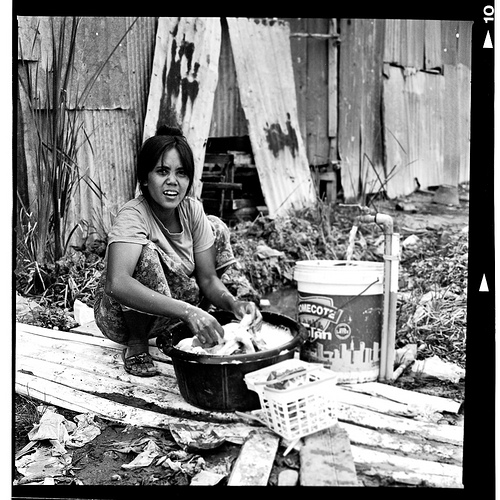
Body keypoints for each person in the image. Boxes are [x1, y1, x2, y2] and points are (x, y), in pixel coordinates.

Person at [94, 125, 262, 377]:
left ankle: (210, 315)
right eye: (162, 171)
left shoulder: (191, 210)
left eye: (181, 173)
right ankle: (137, 345)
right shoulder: (133, 215)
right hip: (122, 318)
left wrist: (232, 302)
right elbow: (117, 284)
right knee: (146, 253)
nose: (172, 181)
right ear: (144, 178)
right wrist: (188, 311)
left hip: (171, 310)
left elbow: (207, 278)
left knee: (215, 224)